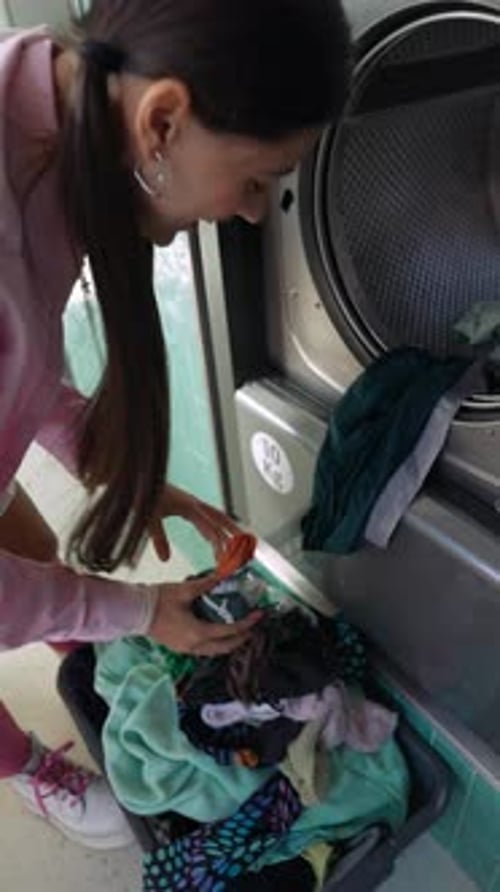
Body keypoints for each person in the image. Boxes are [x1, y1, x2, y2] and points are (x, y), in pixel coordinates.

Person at [0, 0, 351, 851]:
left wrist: (122, 472)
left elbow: (24, 371)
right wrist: (133, 610)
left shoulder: (51, 100)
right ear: (163, 119)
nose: (257, 213)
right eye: (258, 178)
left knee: (29, 548)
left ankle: (72, 637)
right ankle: (17, 760)